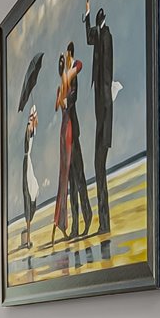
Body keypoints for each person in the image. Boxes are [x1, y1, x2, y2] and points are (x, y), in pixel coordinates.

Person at [82, 0, 114, 248]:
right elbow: (88, 38)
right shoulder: (97, 33)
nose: (99, 18)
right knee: (97, 164)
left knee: (99, 163)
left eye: (99, 16)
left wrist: (107, 92)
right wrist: (87, 15)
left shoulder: (107, 36)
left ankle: (105, 222)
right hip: (99, 99)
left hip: (104, 100)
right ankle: (103, 222)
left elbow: (106, 65)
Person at [53, 43, 94, 242]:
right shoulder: (60, 89)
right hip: (64, 138)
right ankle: (75, 224)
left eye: (66, 59)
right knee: (71, 184)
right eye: (62, 64)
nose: (64, 64)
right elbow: (59, 107)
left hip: (73, 135)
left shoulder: (72, 79)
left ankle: (87, 217)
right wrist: (61, 98)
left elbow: (79, 64)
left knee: (80, 179)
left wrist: (69, 77)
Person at [18, 105, 43, 250]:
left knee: (31, 194)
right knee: (28, 196)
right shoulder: (29, 131)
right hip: (27, 166)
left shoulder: (31, 133)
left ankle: (27, 235)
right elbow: (30, 131)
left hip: (28, 165)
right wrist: (31, 121)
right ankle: (27, 238)